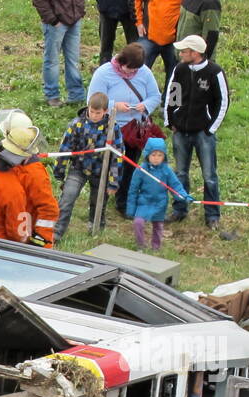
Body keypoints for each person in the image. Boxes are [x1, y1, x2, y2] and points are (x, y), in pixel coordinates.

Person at [162, 34, 232, 237]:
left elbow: (223, 102)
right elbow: (171, 94)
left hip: (203, 133)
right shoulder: (180, 69)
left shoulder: (215, 72)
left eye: (184, 51)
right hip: (180, 131)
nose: (181, 53)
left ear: (195, 53)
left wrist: (211, 128)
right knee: (180, 173)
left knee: (209, 176)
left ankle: (212, 215)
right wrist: (170, 120)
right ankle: (179, 209)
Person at [86, 43, 161, 216]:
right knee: (106, 166)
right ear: (121, 61)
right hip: (109, 128)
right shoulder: (104, 73)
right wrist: (114, 106)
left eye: (135, 70)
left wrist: (145, 106)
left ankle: (123, 202)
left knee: (129, 167)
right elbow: (92, 100)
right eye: (128, 68)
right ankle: (99, 202)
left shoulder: (145, 73)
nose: (131, 73)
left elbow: (155, 96)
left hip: (133, 130)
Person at [52, 92, 124, 241]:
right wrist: (59, 172)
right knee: (67, 198)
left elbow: (117, 156)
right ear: (88, 108)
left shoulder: (113, 128)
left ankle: (95, 230)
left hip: (100, 171)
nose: (94, 115)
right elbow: (65, 149)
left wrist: (113, 182)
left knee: (98, 202)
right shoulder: (76, 124)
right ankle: (56, 233)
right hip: (78, 168)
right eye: (92, 111)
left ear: (105, 111)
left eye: (98, 113)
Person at [0, 110, 59, 246]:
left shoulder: (34, 173)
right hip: (9, 232)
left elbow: (48, 209)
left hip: (26, 236)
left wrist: (40, 240)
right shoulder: (4, 161)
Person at [126, 136, 190, 251]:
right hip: (144, 203)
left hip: (160, 203)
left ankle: (156, 247)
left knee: (158, 226)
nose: (156, 158)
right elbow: (133, 190)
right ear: (147, 155)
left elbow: (175, 185)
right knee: (138, 223)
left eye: (160, 155)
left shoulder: (167, 170)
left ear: (164, 156)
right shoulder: (141, 170)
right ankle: (141, 245)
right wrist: (131, 209)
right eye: (153, 155)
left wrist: (183, 196)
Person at [32, 0, 86, 108]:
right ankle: (52, 95)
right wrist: (53, 20)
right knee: (52, 60)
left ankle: (76, 95)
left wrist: (79, 11)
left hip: (74, 20)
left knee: (73, 59)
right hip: (55, 23)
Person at [135, 0, 182, 92]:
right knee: (137, 70)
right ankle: (136, 100)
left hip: (174, 40)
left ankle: (171, 104)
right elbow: (136, 2)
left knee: (176, 75)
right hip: (148, 36)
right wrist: (139, 22)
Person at [95, 0, 138, 66]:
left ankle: (135, 72)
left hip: (130, 10)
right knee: (105, 47)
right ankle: (104, 73)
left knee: (134, 48)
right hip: (106, 8)